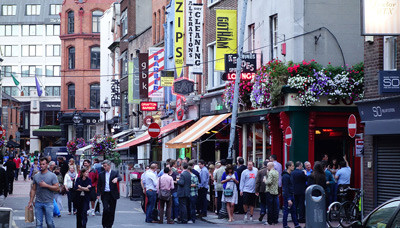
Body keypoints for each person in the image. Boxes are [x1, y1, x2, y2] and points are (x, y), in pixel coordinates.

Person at [28, 158, 60, 228]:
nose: (41, 166)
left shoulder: (52, 175)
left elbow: (57, 188)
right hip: (38, 202)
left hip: (48, 202)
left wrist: (46, 185)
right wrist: (30, 201)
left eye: (43, 164)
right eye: (40, 164)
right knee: (38, 224)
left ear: (47, 165)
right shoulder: (36, 176)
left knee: (49, 223)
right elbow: (33, 189)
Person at [97, 160, 122, 228]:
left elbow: (120, 178)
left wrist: (117, 178)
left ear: (109, 166)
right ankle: (104, 223)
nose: (104, 167)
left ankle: (109, 225)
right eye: (103, 166)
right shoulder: (101, 174)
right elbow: (99, 185)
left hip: (113, 194)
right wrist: (98, 194)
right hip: (105, 194)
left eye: (105, 166)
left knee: (112, 210)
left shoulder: (115, 173)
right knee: (106, 209)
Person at [282, 161, 301, 228]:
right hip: (288, 195)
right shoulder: (285, 176)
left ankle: (296, 224)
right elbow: (285, 188)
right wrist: (288, 199)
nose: (293, 167)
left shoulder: (290, 175)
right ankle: (285, 225)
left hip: (291, 194)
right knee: (286, 210)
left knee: (293, 210)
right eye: (292, 166)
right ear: (289, 166)